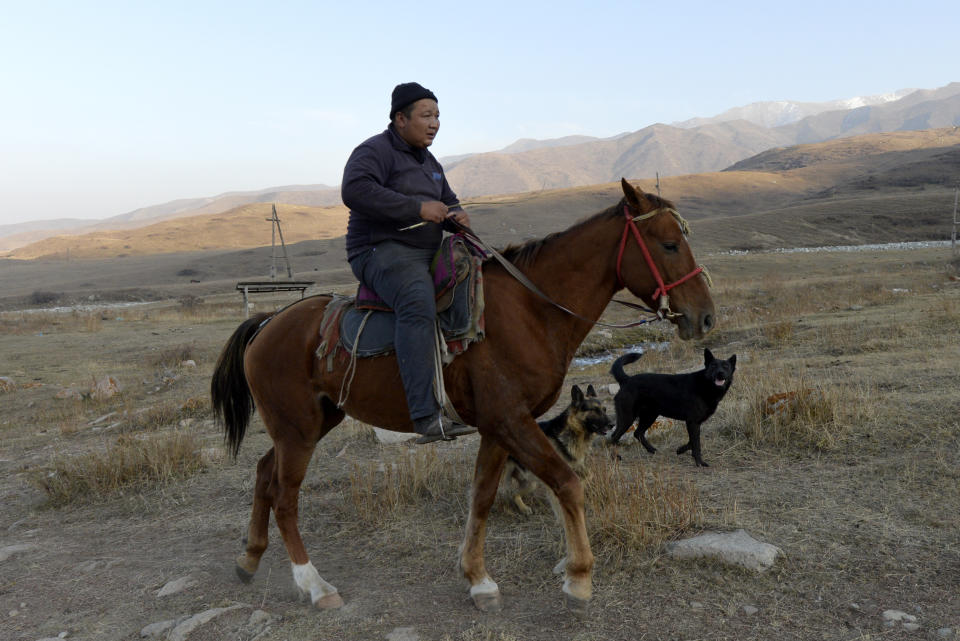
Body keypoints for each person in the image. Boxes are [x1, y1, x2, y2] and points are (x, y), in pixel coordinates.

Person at [341, 82, 477, 444]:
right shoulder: (374, 151)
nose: (434, 123)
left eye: (437, 116)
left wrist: (457, 215)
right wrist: (416, 208)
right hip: (380, 250)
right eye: (426, 116)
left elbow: (447, 200)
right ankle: (425, 415)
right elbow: (354, 190)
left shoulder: (429, 162)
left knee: (483, 279)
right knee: (417, 300)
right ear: (400, 119)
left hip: (427, 250)